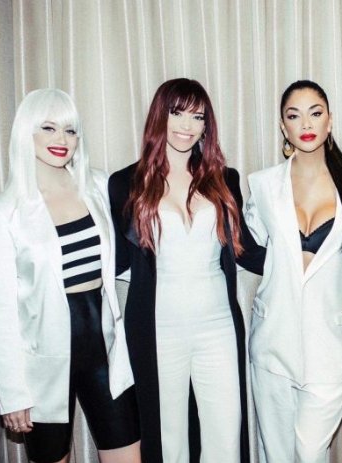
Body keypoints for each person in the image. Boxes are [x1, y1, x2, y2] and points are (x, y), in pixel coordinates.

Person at [108, 78, 264, 462]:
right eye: (177, 113)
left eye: (197, 116)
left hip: (218, 325)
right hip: (158, 327)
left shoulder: (224, 179)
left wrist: (304, 254)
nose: (186, 125)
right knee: (168, 440)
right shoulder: (125, 183)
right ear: (159, 116)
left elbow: (245, 251)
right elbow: (115, 261)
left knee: (226, 435)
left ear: (206, 125)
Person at [0, 88, 140, 463]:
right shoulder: (1, 211)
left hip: (105, 352)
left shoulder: (98, 187)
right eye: (49, 128)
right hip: (41, 364)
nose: (61, 139)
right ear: (27, 131)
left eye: (70, 130)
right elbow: (2, 312)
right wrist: (12, 392)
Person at [244, 80, 342, 462]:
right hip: (272, 342)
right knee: (277, 455)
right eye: (294, 115)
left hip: (330, 348)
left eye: (315, 113)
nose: (306, 123)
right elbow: (254, 246)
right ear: (283, 127)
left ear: (329, 120)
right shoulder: (263, 185)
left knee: (308, 451)